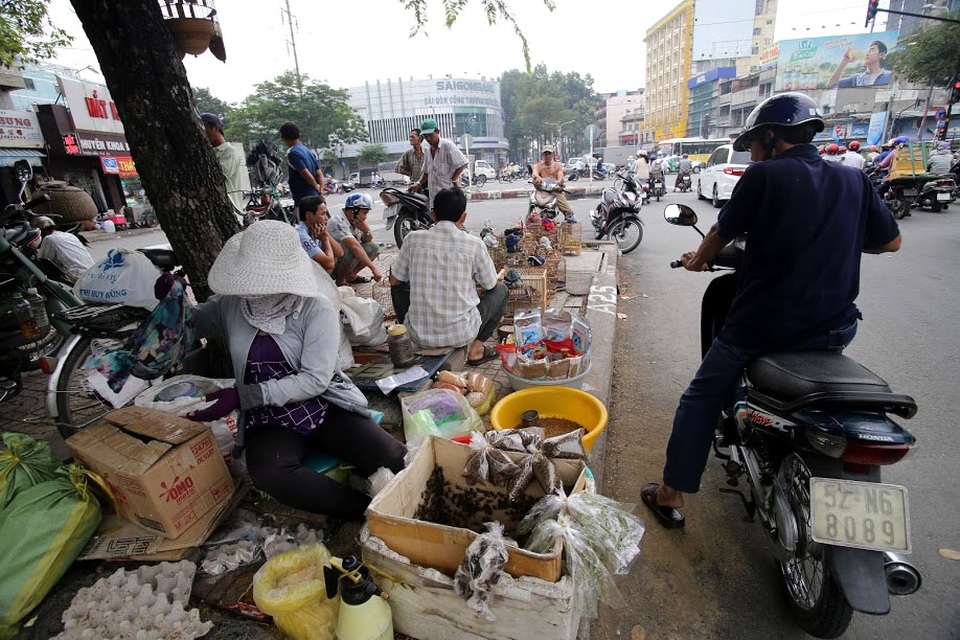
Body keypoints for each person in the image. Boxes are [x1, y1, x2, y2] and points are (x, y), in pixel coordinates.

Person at [640, 92, 902, 529]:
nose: (753, 155)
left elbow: (722, 230)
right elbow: (890, 241)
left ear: (772, 137)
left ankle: (671, 493)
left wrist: (700, 259)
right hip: (835, 329)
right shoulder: (854, 181)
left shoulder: (764, 177)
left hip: (762, 327)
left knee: (699, 398)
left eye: (754, 146)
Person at [178, 220, 406, 518]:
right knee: (270, 473)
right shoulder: (232, 304)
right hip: (269, 420)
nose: (258, 291)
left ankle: (402, 501)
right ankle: (362, 511)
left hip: (323, 406)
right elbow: (191, 325)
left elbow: (314, 380)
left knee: (392, 456)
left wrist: (244, 395)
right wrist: (173, 299)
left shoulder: (316, 308)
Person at [389, 188, 508, 366]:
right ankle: (476, 349)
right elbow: (490, 285)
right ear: (463, 217)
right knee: (502, 291)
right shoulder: (474, 244)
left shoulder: (412, 239)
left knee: (398, 284)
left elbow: (395, 280)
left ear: (433, 215)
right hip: (461, 333)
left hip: (417, 334)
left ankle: (406, 333)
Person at [408, 118, 467, 210]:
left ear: (437, 131)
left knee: (449, 221)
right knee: (437, 222)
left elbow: (462, 163)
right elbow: (426, 172)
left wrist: (454, 179)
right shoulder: (428, 151)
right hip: (434, 196)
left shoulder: (447, 145)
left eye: (430, 135)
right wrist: (418, 183)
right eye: (425, 136)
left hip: (448, 194)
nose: (428, 139)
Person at [328, 192, 383, 285]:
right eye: (364, 212)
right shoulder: (338, 222)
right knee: (351, 249)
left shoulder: (354, 221)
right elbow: (354, 246)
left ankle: (350, 276)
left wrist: (366, 230)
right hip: (331, 265)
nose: (365, 217)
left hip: (343, 260)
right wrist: (374, 269)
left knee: (374, 247)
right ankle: (340, 280)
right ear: (354, 211)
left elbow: (366, 240)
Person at [201, 113, 246, 213]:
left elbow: (217, 177)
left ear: (215, 128)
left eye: (204, 130)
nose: (202, 134)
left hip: (231, 213)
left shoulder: (229, 152)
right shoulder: (207, 153)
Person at [35, 217, 93, 283]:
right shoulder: (69, 235)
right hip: (91, 271)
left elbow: (43, 259)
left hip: (76, 275)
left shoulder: (49, 239)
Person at [295, 195, 343, 275]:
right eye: (323, 214)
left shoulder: (316, 229)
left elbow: (340, 253)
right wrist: (325, 240)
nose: (326, 218)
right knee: (325, 262)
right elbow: (329, 265)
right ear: (309, 215)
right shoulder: (301, 234)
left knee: (332, 255)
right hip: (300, 275)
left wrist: (326, 235)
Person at [279, 122, 324, 205]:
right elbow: (319, 174)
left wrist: (316, 187)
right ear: (299, 135)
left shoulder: (292, 153)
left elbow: (305, 173)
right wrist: (320, 190)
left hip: (304, 199)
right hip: (316, 196)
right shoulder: (308, 151)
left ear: (283, 138)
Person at [532, 146, 577, 222]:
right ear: (542, 155)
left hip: (555, 191)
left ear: (553, 154)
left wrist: (559, 181)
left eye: (549, 153)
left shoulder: (557, 165)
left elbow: (560, 174)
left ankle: (569, 218)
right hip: (542, 191)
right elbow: (535, 172)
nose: (547, 156)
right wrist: (537, 177)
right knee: (533, 206)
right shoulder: (538, 165)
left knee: (569, 213)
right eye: (545, 154)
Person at [828, 40, 892, 88]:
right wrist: (844, 61)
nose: (867, 54)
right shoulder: (857, 78)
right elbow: (832, 85)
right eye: (867, 51)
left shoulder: (889, 75)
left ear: (881, 55)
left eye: (872, 50)